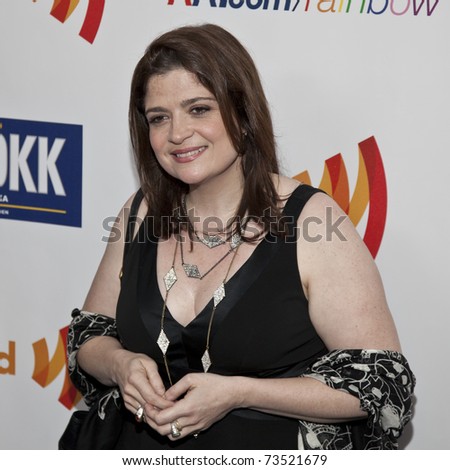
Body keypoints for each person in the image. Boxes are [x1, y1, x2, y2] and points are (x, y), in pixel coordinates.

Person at [66, 23, 415, 450]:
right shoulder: (140, 211)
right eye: (160, 118)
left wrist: (239, 393)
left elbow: (382, 383)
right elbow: (88, 335)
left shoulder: (313, 221)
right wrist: (120, 364)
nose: (177, 134)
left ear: (244, 116)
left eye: (199, 109)